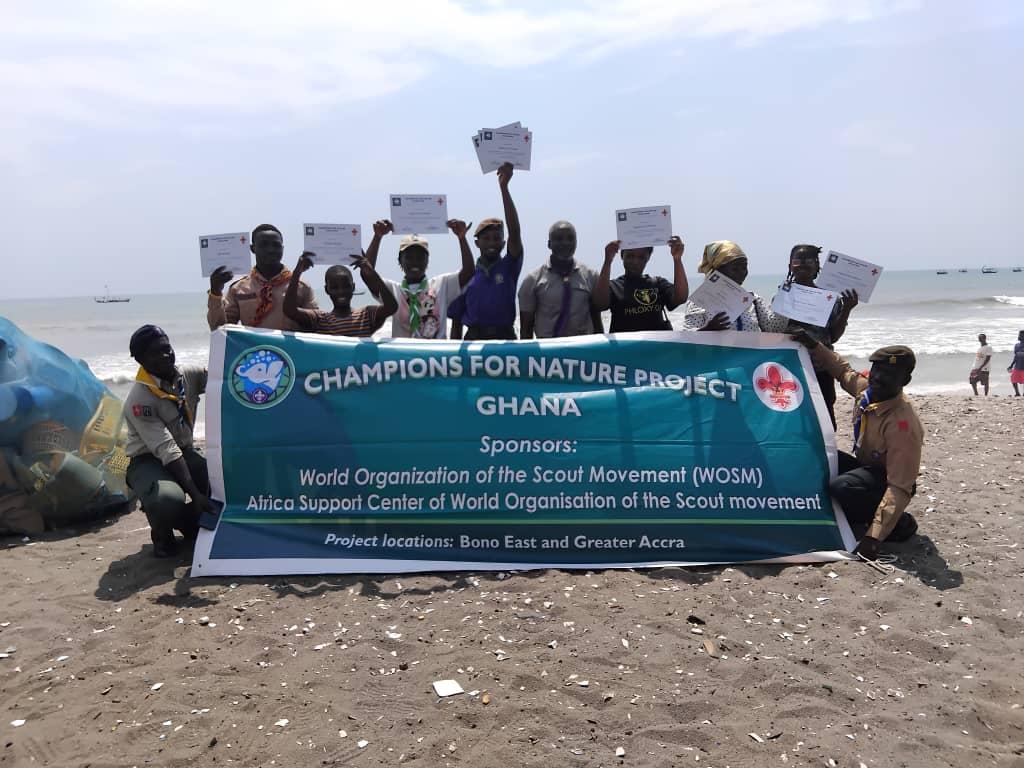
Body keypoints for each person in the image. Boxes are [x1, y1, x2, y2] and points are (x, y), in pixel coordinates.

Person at [792, 330, 923, 560]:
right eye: (877, 370)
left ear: (904, 381)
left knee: (842, 488)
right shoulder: (867, 392)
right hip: (866, 469)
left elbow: (899, 486)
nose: (879, 378)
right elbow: (842, 371)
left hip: (889, 480)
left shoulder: (903, 424)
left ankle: (900, 523)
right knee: (817, 456)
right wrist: (814, 345)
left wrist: (873, 537)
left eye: (890, 374)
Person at [123, 326, 213, 558]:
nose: (165, 356)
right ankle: (163, 536)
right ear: (141, 360)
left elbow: (221, 379)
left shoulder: (187, 375)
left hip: (185, 452)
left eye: (167, 348)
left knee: (221, 480)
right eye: (155, 353)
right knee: (167, 499)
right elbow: (166, 449)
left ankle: (188, 523)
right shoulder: (139, 400)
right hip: (147, 461)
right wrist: (195, 493)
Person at [774, 244, 859, 428]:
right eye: (798, 260)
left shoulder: (830, 298)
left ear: (817, 265)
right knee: (792, 419)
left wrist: (846, 309)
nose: (802, 264)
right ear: (790, 265)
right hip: (789, 368)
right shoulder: (782, 295)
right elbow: (772, 331)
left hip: (821, 367)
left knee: (824, 419)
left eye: (808, 260)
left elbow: (833, 337)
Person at [446, 162, 524, 340]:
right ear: (477, 243)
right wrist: (453, 354)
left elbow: (515, 232)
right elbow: (457, 322)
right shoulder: (468, 276)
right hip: (474, 341)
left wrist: (504, 188)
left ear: (503, 243)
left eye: (496, 238)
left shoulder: (509, 266)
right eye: (486, 238)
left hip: (505, 340)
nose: (492, 242)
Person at [364, 219, 475, 339]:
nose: (415, 262)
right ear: (400, 260)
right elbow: (367, 274)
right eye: (409, 257)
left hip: (435, 351)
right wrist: (377, 237)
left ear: (427, 260)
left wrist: (462, 237)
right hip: (402, 351)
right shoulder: (393, 290)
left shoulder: (441, 284)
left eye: (420, 257)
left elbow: (468, 271)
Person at [207, 224, 317, 331]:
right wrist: (216, 292)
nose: (270, 250)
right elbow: (220, 329)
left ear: (282, 248)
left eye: (276, 245)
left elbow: (315, 324)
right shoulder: (238, 288)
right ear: (252, 248)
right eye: (264, 245)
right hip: (252, 344)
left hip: (289, 344)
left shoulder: (301, 286)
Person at [680, 241, 788, 333]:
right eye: (735, 269)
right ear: (718, 270)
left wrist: (783, 298)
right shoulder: (701, 300)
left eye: (744, 267)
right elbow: (687, 335)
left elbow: (774, 328)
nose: (741, 273)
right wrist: (708, 329)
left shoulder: (753, 300)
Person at [519, 220, 602, 338]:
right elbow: (526, 329)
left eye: (570, 238)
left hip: (583, 346)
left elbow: (597, 321)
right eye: (559, 239)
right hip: (548, 347)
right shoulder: (532, 280)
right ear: (549, 244)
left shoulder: (591, 276)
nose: (565, 243)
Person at [283, 252, 397, 336]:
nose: (341, 291)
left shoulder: (366, 315)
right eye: (334, 287)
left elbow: (391, 307)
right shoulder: (320, 319)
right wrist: (297, 273)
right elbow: (289, 310)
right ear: (327, 290)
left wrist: (372, 274)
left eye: (346, 286)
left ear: (353, 287)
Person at [592, 236, 689, 332]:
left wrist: (677, 259)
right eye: (630, 256)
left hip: (655, 342)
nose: (635, 262)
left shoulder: (658, 284)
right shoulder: (614, 286)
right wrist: (608, 261)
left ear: (648, 258)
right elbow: (600, 304)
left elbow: (681, 298)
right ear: (622, 255)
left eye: (641, 257)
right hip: (625, 342)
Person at [1009, 330, 1024, 396]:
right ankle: (1017, 393)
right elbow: (1016, 356)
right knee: (1013, 379)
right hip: (1017, 366)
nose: (1020, 336)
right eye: (1019, 335)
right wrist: (1011, 365)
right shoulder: (1017, 345)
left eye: (1021, 335)